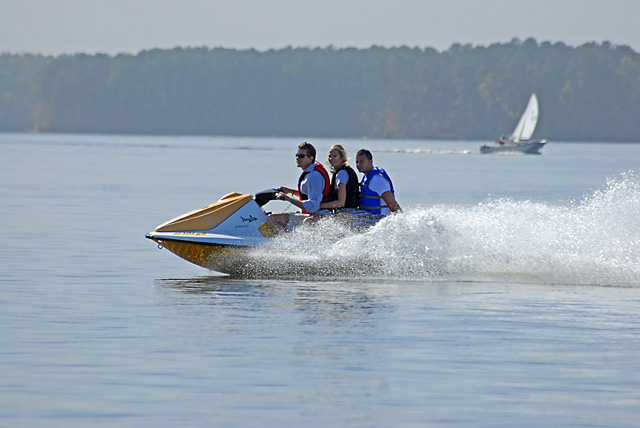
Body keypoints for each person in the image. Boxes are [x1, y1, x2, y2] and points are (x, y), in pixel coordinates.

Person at [267, 141, 330, 232]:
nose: (297, 158)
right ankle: (287, 241)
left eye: (301, 156)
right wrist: (291, 191)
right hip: (312, 214)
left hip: (320, 216)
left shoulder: (313, 176)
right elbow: (310, 194)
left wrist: (288, 199)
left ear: (310, 158)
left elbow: (313, 206)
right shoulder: (309, 172)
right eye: (296, 155)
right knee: (272, 217)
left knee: (273, 220)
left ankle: (288, 244)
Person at [352, 148, 401, 228]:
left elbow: (393, 204)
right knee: (343, 211)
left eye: (362, 162)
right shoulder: (366, 176)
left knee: (346, 216)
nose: (358, 165)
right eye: (357, 162)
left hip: (380, 218)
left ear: (370, 162)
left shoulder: (377, 180)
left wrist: (400, 223)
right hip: (369, 214)